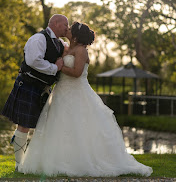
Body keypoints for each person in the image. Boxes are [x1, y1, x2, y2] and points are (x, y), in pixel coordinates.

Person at [18, 22, 153, 177]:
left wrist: (60, 67)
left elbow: (77, 72)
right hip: (61, 92)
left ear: (75, 36)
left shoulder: (81, 51)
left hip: (77, 92)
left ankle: (80, 161)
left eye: (69, 30)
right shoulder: (67, 48)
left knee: (79, 126)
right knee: (59, 125)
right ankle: (59, 161)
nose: (66, 30)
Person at [1, 14, 69, 170]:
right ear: (56, 23)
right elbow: (34, 61)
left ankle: (34, 161)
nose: (67, 28)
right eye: (66, 25)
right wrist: (55, 68)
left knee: (43, 125)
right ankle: (19, 165)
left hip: (42, 89)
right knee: (24, 126)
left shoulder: (58, 42)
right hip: (29, 85)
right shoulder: (38, 39)